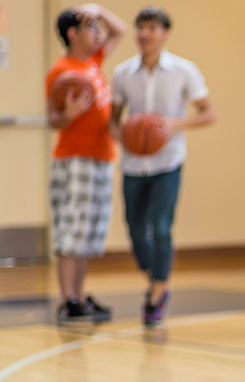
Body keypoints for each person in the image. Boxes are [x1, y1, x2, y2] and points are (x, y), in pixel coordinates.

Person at [110, 6, 216, 327]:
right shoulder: (122, 73)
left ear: (165, 33)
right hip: (133, 162)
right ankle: (153, 275)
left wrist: (174, 124)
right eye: (140, 28)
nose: (144, 34)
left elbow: (209, 113)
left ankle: (158, 292)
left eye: (151, 28)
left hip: (168, 161)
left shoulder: (184, 71)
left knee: (160, 225)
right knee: (135, 228)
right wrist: (125, 137)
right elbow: (112, 121)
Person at [45, 3, 125, 324]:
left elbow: (120, 29)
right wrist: (70, 115)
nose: (98, 33)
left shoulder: (94, 60)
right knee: (73, 229)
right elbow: (53, 120)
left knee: (90, 234)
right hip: (75, 159)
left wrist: (98, 9)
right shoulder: (62, 70)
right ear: (73, 34)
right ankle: (67, 299)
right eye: (91, 27)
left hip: (101, 156)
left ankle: (79, 294)